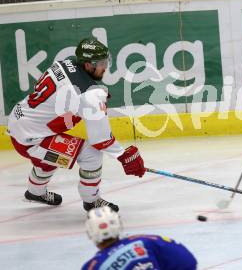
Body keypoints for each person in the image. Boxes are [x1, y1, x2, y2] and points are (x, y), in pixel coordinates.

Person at [7, 38, 146, 211]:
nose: (105, 67)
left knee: (50, 157)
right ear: (87, 65)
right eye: (101, 63)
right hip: (31, 139)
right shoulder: (89, 95)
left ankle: (35, 191)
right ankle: (91, 200)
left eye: (106, 61)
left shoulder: (65, 64)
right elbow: (101, 140)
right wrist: (124, 156)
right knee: (91, 156)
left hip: (20, 121)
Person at [82, 207, 197, 270]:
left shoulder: (94, 266)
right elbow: (187, 261)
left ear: (90, 233)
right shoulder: (145, 241)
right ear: (118, 225)